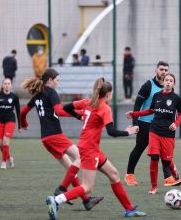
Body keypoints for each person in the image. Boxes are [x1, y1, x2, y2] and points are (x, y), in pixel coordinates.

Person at [46, 77, 146, 219]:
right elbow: (111, 132)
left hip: (91, 147)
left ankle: (129, 209)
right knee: (87, 187)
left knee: (114, 175)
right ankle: (56, 200)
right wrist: (128, 132)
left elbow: (66, 107)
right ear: (108, 94)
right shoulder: (105, 108)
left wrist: (80, 116)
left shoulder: (88, 102)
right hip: (89, 150)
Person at [20, 68, 103, 210]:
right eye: (57, 80)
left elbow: (23, 112)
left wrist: (23, 123)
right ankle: (62, 189)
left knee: (72, 167)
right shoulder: (51, 92)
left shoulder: (38, 95)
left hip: (45, 138)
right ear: (50, 80)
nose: (59, 82)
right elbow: (59, 111)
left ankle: (86, 201)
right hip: (55, 135)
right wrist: (77, 115)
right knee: (81, 157)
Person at [126, 73, 181, 194]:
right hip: (154, 131)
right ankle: (153, 187)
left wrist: (176, 123)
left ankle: (174, 171)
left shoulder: (176, 98)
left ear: (174, 84)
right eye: (166, 80)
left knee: (167, 161)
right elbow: (150, 110)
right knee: (154, 157)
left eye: (171, 80)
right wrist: (135, 114)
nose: (168, 82)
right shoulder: (157, 96)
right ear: (164, 82)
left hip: (168, 133)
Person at [124, 61, 170, 186]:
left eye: (166, 70)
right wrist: (135, 123)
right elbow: (137, 105)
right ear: (156, 70)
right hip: (145, 124)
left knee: (163, 151)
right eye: (161, 69)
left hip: (160, 125)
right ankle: (129, 175)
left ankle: (168, 178)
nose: (164, 72)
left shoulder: (168, 86)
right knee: (139, 149)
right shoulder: (148, 85)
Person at [0, 78, 20, 169]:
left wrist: (20, 125)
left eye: (8, 83)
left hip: (10, 120)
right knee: (1, 144)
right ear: (2, 85)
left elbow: (18, 111)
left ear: (11, 85)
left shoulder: (14, 97)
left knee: (6, 140)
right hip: (0, 121)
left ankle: (3, 162)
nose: (7, 85)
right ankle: (10, 158)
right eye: (5, 83)